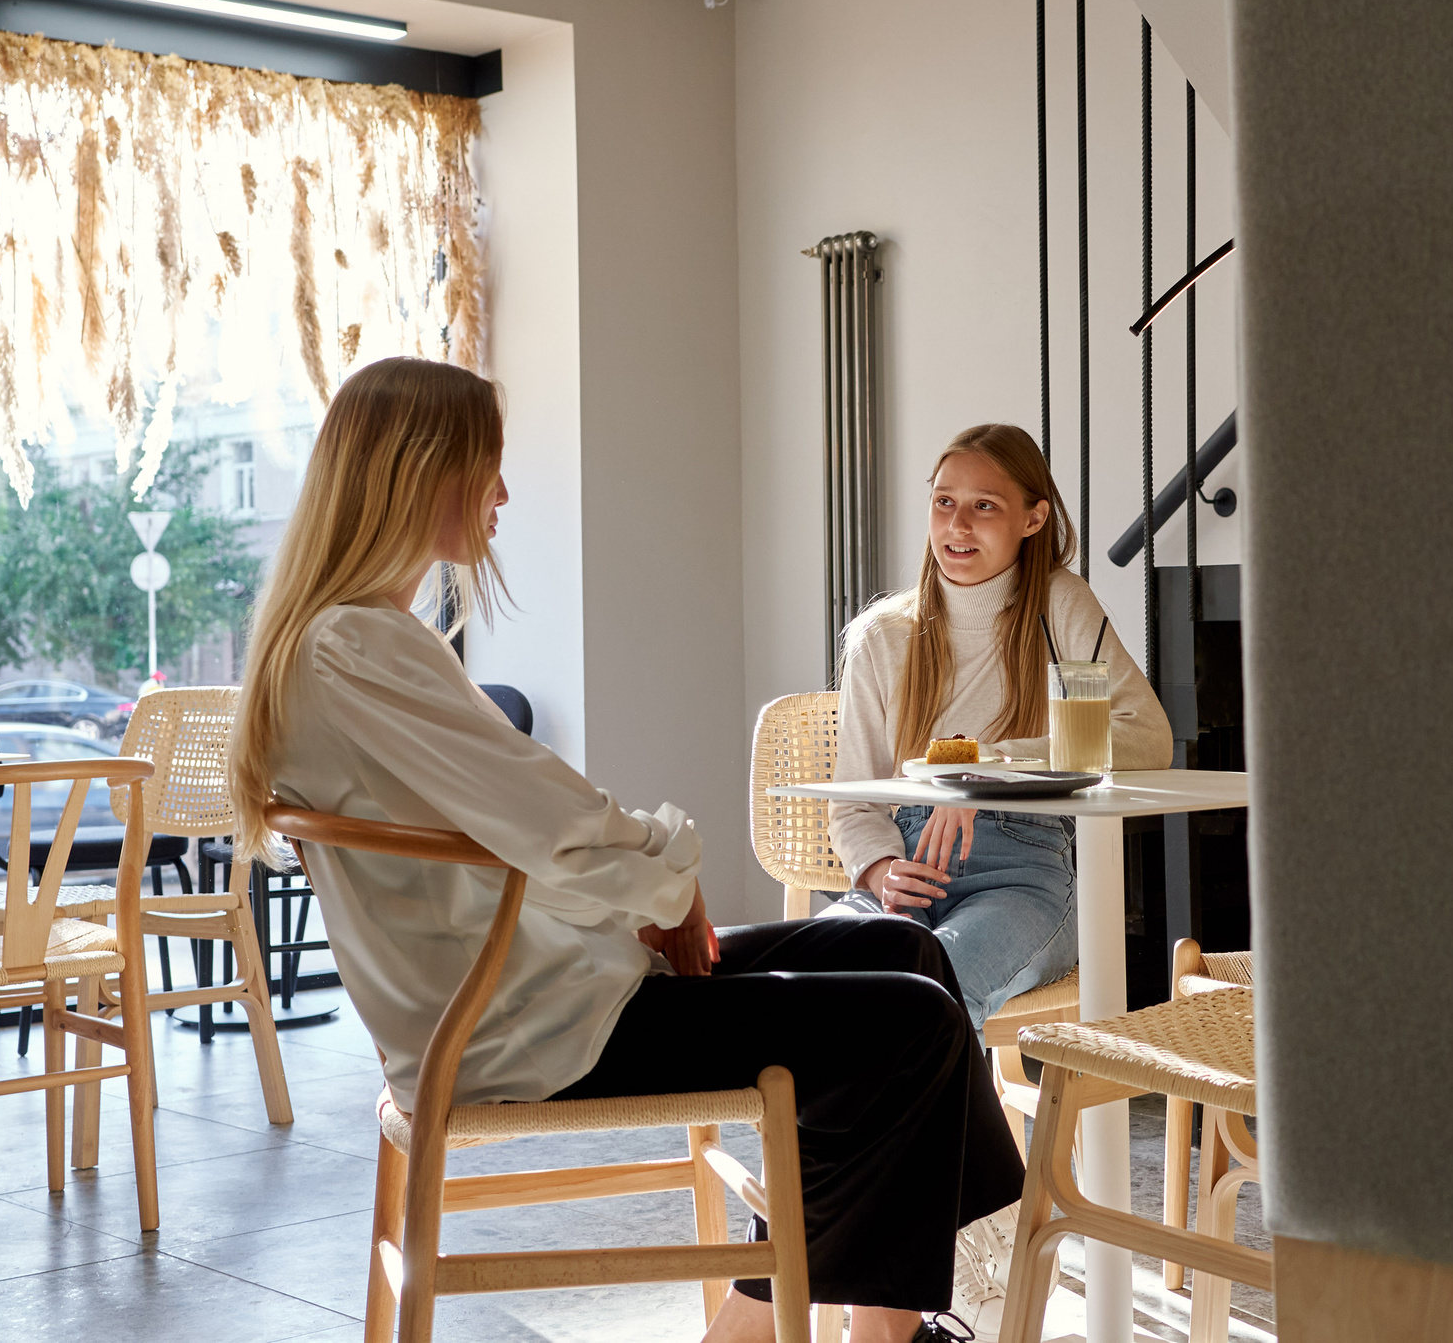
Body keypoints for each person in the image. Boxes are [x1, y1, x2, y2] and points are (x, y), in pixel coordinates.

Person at [227, 357, 1021, 1343]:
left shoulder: (351, 640)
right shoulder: (355, 647)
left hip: (543, 988)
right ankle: (836, 1329)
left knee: (908, 951)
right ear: (418, 471)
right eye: (490, 466)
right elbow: (551, 818)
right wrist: (668, 879)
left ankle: (794, 1319)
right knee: (907, 1023)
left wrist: (648, 890)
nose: (504, 493)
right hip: (526, 1024)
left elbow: (533, 824)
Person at [824, 422, 1172, 1028]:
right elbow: (855, 800)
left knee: (930, 986)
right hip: (906, 867)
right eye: (944, 502)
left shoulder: (1058, 605)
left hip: (1024, 873)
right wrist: (880, 871)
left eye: (984, 507)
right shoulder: (881, 636)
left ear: (1033, 520)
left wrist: (985, 770)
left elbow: (1146, 735)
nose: (957, 526)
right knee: (824, 971)